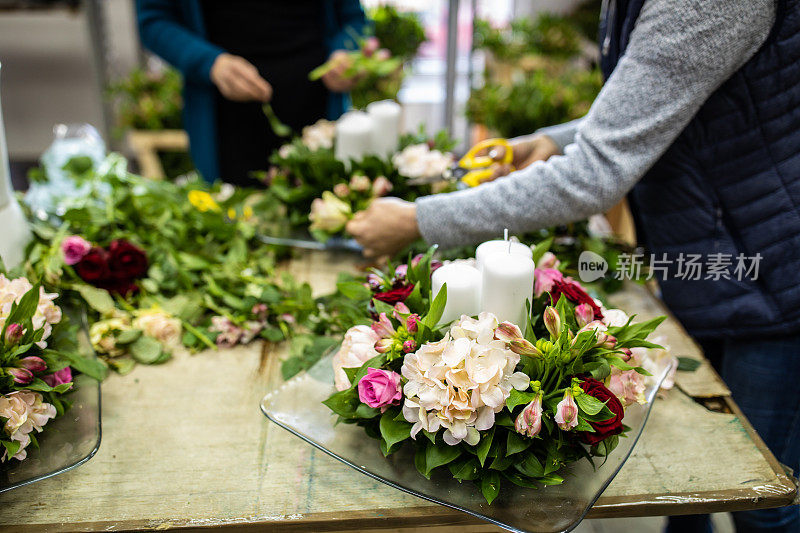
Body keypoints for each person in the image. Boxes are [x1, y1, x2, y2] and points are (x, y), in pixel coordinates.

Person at [347, 0, 800, 531]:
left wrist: (417, 220)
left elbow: (594, 175)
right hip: (715, 254)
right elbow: (668, 98)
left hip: (771, 272)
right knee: (693, 490)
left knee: (760, 498)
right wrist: (555, 141)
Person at [136, 0, 366, 184]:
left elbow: (353, 18)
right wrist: (211, 64)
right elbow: (153, 20)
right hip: (227, 127)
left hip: (319, 118)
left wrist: (345, 53)